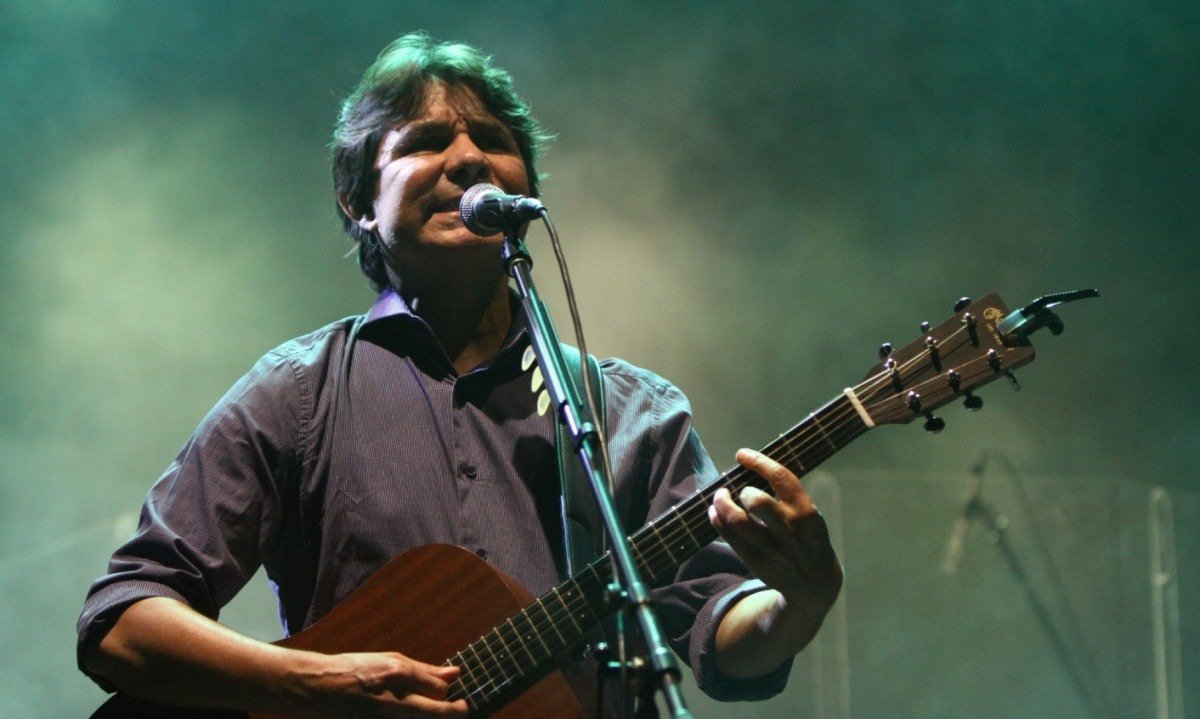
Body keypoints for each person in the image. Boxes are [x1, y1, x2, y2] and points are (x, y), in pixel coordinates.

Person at [77, 32, 843, 718]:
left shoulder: (632, 409)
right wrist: (311, 681)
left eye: (493, 138)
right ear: (358, 202)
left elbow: (719, 635)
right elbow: (123, 619)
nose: (470, 156)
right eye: (426, 139)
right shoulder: (298, 391)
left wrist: (797, 606)